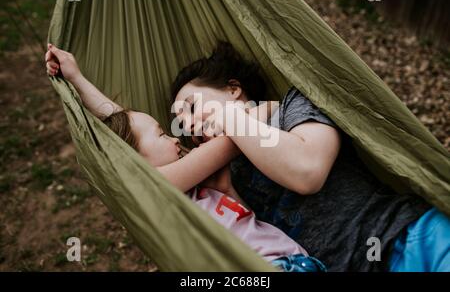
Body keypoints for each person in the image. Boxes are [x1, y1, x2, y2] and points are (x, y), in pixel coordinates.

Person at [170, 41, 450, 272]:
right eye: (185, 126)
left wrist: (231, 117)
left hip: (407, 242)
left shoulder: (293, 105)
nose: (191, 125)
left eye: (192, 107)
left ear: (233, 89)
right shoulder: (229, 173)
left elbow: (308, 172)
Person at [44, 43, 326, 272]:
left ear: (233, 88)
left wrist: (77, 79)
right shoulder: (163, 182)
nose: (180, 133)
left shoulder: (193, 178)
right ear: (135, 162)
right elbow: (124, 136)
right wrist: (260, 111)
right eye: (162, 133)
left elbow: (125, 126)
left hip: (293, 260)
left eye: (191, 109)